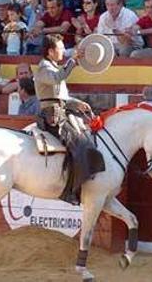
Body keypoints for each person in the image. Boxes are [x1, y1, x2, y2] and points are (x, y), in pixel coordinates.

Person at [33, 34, 104, 205]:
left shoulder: (52, 67)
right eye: (60, 48)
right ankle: (70, 190)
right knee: (80, 146)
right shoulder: (44, 69)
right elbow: (57, 78)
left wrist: (77, 103)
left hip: (60, 113)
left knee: (85, 141)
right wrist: (72, 61)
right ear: (50, 52)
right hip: (53, 117)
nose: (64, 50)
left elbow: (60, 97)